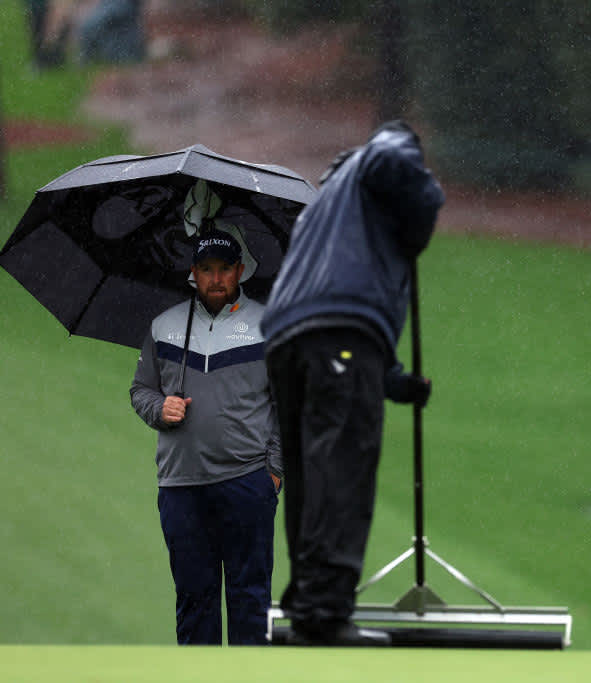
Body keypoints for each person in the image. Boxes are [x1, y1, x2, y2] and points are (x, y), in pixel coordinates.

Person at [261, 120, 444, 647]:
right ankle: (324, 613)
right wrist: (425, 205)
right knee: (341, 467)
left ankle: (308, 609)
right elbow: (392, 158)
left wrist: (393, 381)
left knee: (310, 474)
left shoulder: (324, 204)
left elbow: (328, 302)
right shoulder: (383, 157)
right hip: (339, 335)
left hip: (287, 343)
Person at [131, 233, 282, 645]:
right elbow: (141, 390)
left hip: (247, 482)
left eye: (224, 269)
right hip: (181, 485)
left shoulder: (268, 325)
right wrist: (160, 409)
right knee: (194, 601)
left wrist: (274, 473)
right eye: (207, 270)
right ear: (193, 274)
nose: (216, 278)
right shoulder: (165, 326)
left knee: (250, 600)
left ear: (239, 271)